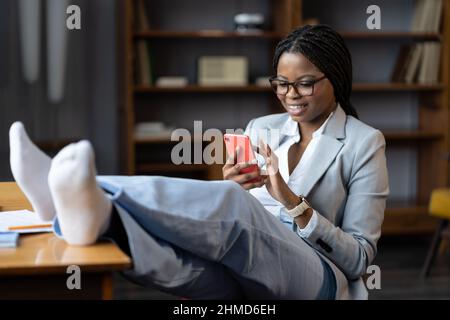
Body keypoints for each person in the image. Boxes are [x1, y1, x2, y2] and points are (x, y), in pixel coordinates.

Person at [8, 24, 388, 300]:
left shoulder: (363, 143)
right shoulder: (263, 127)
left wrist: (290, 200)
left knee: (235, 205)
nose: (290, 95)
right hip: (249, 260)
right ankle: (95, 214)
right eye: (281, 83)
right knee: (177, 266)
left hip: (317, 277)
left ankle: (95, 191)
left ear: (335, 78)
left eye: (304, 83)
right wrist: (231, 184)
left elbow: (358, 259)